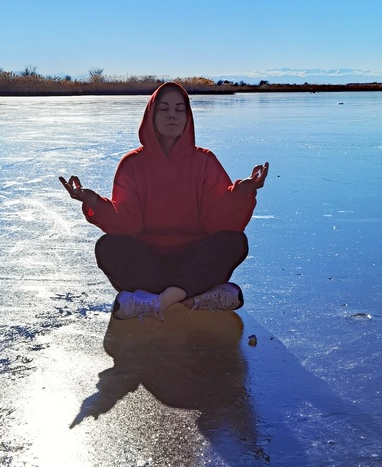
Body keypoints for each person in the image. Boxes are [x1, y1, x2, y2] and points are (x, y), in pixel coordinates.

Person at [60, 82, 269, 320]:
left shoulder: (204, 161)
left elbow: (219, 220)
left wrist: (243, 192)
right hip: (149, 263)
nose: (172, 114)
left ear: (188, 117)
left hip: (193, 260)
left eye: (180, 109)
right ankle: (196, 298)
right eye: (164, 108)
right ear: (151, 114)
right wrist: (94, 202)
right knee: (107, 247)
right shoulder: (133, 165)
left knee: (234, 242)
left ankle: (158, 302)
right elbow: (126, 222)